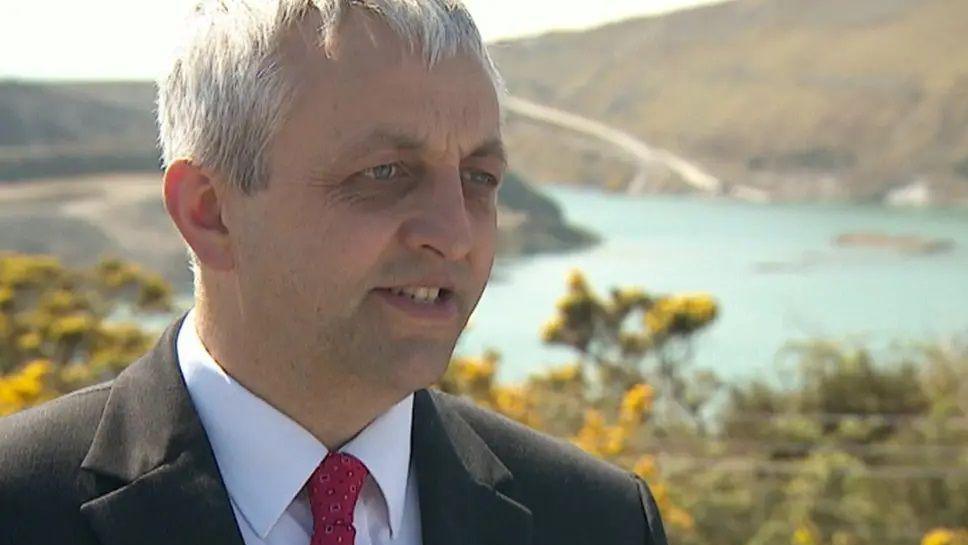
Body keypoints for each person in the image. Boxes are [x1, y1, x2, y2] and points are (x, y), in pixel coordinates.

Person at [0, 1, 668, 544]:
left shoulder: (598, 520)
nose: (456, 233)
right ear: (210, 212)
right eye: (384, 174)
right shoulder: (20, 506)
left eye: (479, 178)